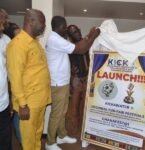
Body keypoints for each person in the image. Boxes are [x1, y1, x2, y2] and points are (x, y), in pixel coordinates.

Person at [45, 16, 100, 150]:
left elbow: (80, 44)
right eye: (65, 27)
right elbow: (80, 49)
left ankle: (62, 135)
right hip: (57, 83)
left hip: (62, 82)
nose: (65, 29)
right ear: (60, 27)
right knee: (57, 113)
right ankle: (50, 142)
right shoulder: (55, 39)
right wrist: (92, 36)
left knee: (63, 111)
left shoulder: (59, 39)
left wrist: (88, 36)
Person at [6, 9, 51, 150]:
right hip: (29, 103)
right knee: (28, 140)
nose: (44, 26)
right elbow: (15, 76)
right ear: (30, 21)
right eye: (42, 23)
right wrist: (23, 105)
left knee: (37, 135)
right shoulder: (18, 44)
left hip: (40, 100)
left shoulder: (35, 42)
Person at [66, 25, 90, 136]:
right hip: (77, 80)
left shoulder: (86, 44)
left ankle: (82, 128)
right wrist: (71, 71)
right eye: (74, 32)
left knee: (85, 105)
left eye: (78, 30)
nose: (78, 33)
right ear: (70, 36)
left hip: (87, 78)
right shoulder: (70, 47)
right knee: (74, 107)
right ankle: (73, 132)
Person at [0, 8, 12, 150]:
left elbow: (10, 71)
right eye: (0, 24)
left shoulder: (6, 40)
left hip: (3, 103)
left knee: (5, 139)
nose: (3, 28)